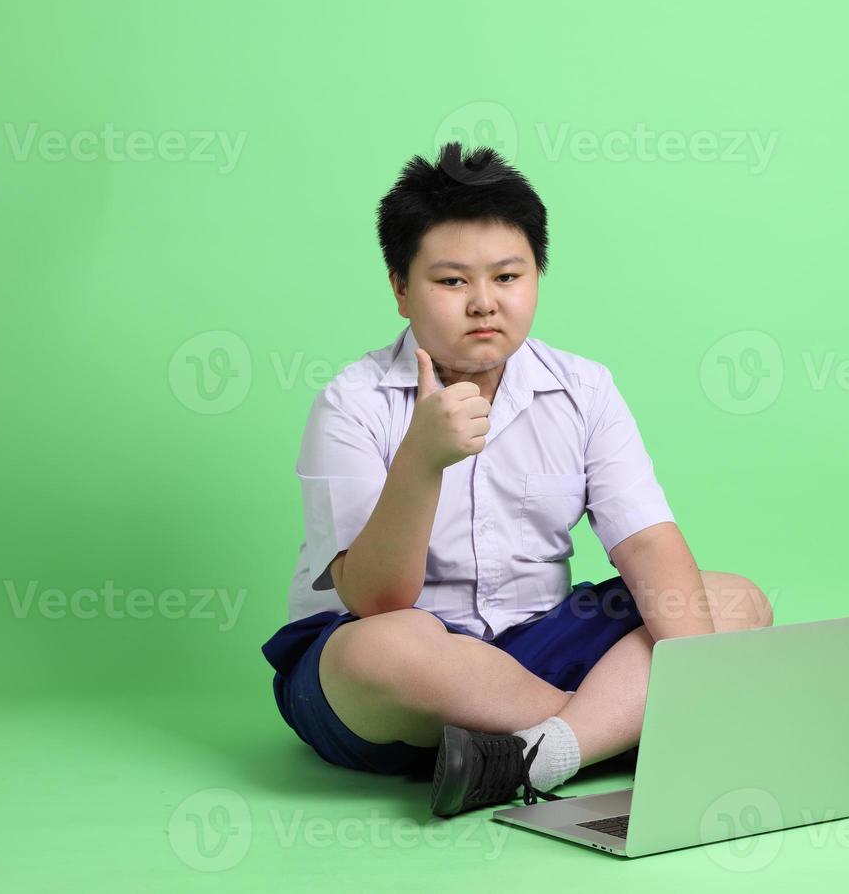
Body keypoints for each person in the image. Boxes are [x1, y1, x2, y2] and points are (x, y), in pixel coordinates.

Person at [260, 141, 774, 818]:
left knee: (732, 602)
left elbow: (648, 544)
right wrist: (421, 460)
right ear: (399, 288)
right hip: (393, 672)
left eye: (508, 277)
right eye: (451, 282)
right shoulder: (352, 401)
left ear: (537, 276)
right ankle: (607, 732)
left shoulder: (585, 388)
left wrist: (700, 685)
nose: (484, 304)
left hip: (535, 643)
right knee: (385, 649)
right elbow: (377, 597)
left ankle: (534, 755)